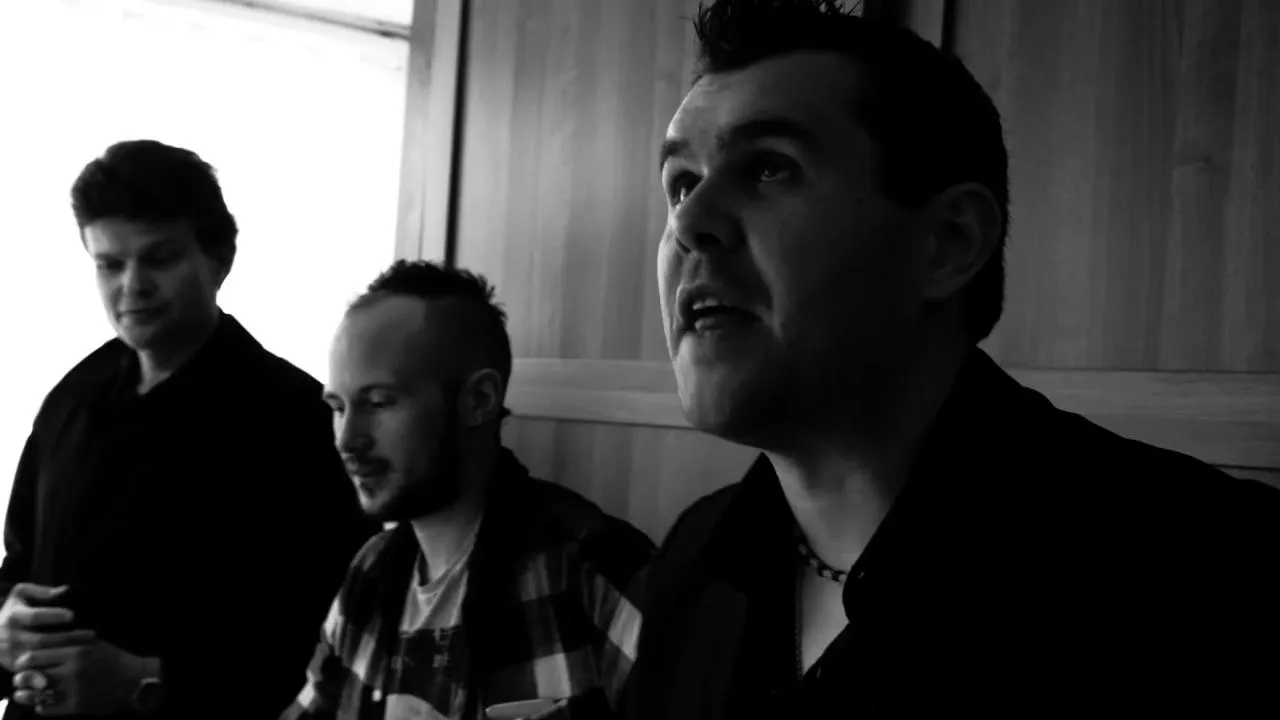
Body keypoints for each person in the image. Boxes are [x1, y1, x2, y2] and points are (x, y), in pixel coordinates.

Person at [621, 1, 1280, 718]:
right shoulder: (691, 561)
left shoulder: (1209, 574)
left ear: (949, 243)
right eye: (681, 182)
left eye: (769, 168)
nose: (688, 223)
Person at [0, 140, 376, 719]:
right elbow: (20, 564)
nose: (132, 286)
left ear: (220, 259)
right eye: (109, 264)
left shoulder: (300, 422)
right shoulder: (70, 400)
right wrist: (6, 626)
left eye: (159, 258)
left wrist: (148, 681)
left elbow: (330, 640)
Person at [281, 260, 653, 720]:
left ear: (479, 399)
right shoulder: (370, 575)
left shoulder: (593, 569)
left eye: (378, 403)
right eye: (339, 407)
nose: (347, 439)